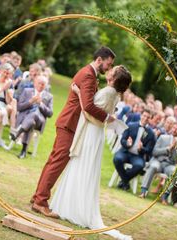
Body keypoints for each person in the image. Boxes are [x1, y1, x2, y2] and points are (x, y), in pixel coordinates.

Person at [31, 46, 116, 218]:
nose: (109, 68)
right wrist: (107, 117)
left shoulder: (89, 73)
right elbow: (89, 106)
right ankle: (40, 201)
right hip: (69, 123)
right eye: (108, 64)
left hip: (69, 123)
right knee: (57, 162)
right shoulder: (88, 75)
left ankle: (37, 198)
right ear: (99, 60)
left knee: (54, 161)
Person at [50, 65, 132, 240]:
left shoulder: (110, 92)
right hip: (93, 132)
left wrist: (79, 93)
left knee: (82, 166)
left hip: (92, 132)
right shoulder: (112, 92)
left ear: (115, 78)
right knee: (81, 166)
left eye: (113, 70)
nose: (110, 70)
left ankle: (75, 209)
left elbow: (89, 113)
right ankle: (72, 205)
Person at [113, 109, 156, 191]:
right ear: (141, 116)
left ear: (150, 119)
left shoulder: (151, 133)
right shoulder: (130, 125)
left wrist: (142, 148)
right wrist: (127, 143)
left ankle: (123, 181)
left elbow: (149, 150)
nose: (145, 118)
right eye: (144, 116)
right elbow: (122, 140)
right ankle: (125, 182)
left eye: (148, 117)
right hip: (125, 151)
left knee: (139, 166)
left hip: (138, 156)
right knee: (117, 159)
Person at [12, 75, 53, 159]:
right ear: (35, 83)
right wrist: (30, 101)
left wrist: (40, 104)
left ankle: (18, 132)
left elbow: (50, 113)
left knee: (34, 115)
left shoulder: (49, 96)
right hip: (25, 118)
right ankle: (23, 151)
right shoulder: (27, 91)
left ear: (45, 86)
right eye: (39, 83)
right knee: (31, 123)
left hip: (39, 121)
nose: (41, 86)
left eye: (43, 84)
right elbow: (19, 107)